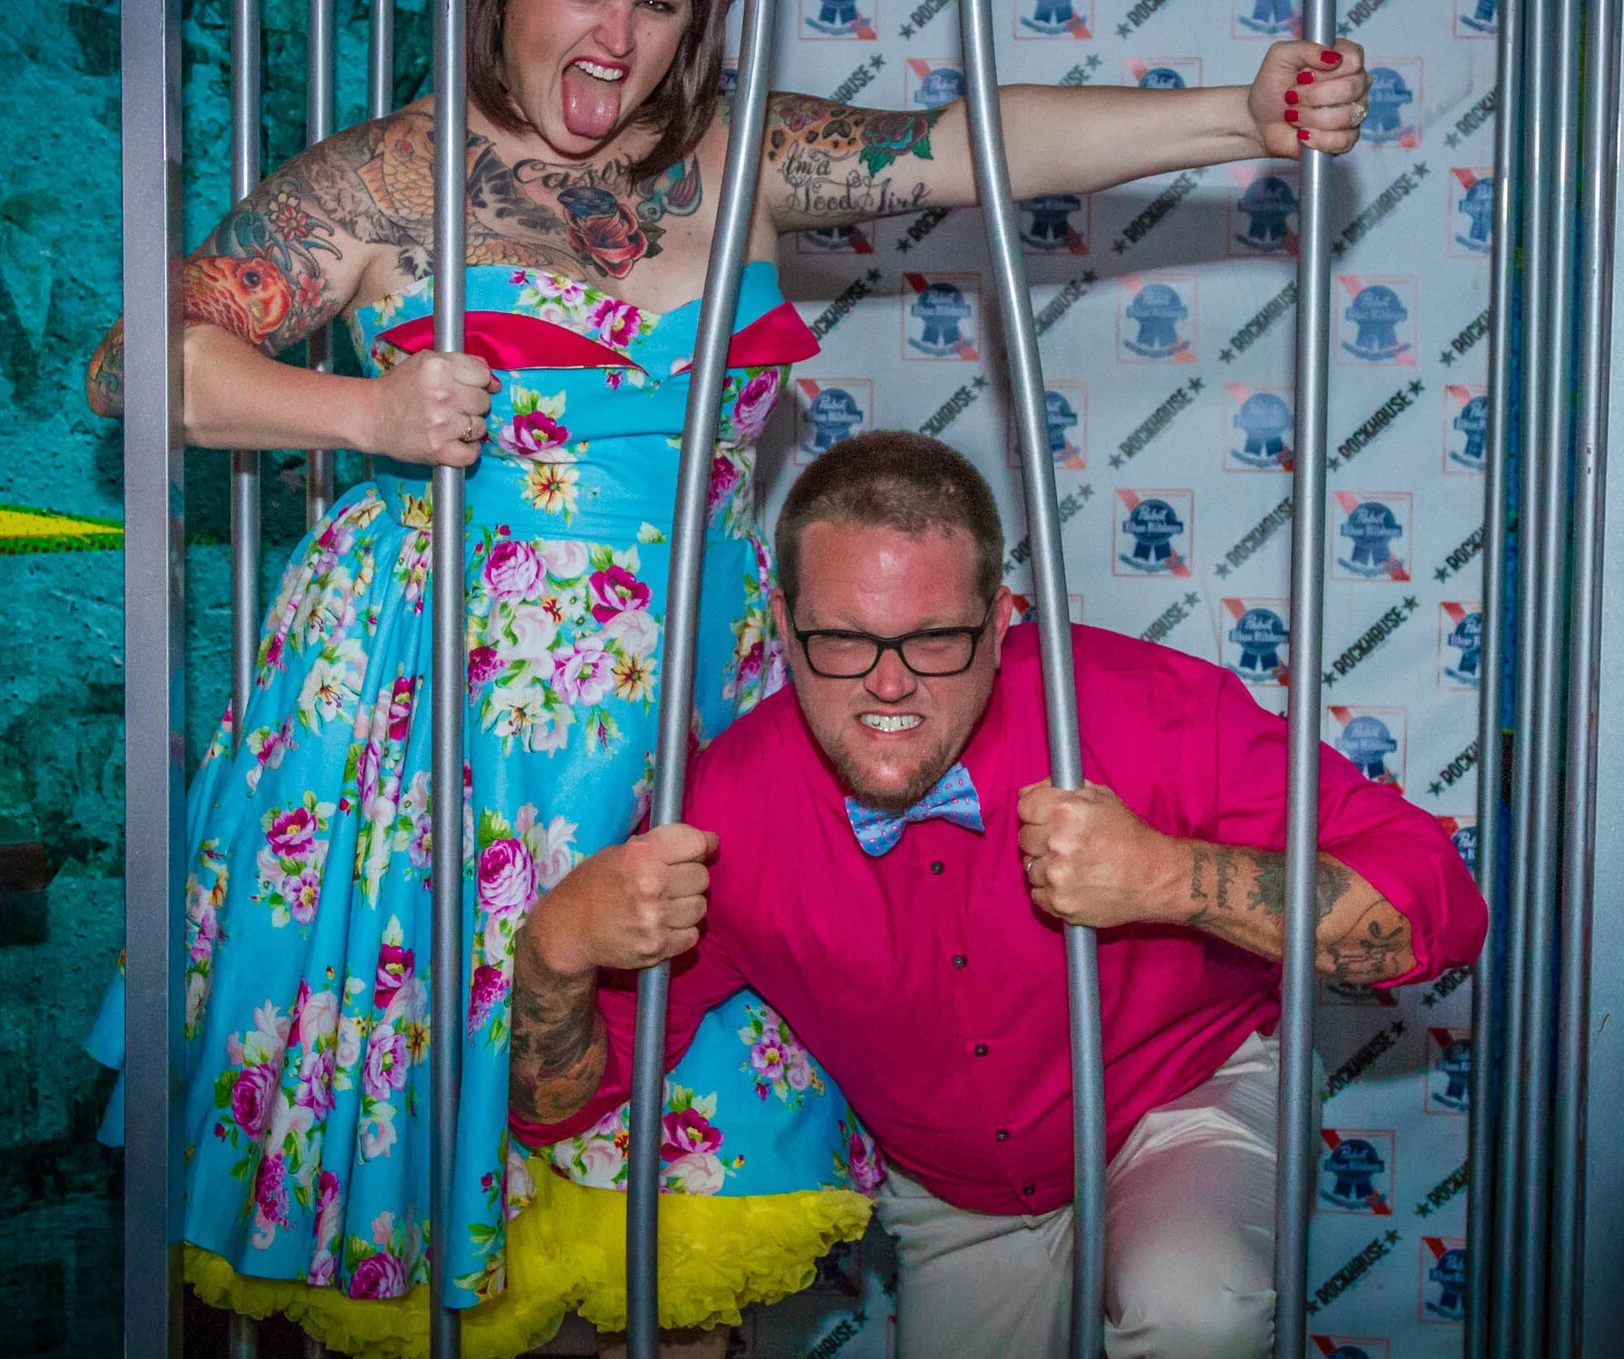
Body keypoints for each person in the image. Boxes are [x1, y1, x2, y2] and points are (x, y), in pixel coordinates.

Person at [81, 0, 1376, 1354]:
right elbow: (132, 363)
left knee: (684, 1167)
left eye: (659, 0)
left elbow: (964, 146)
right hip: (436, 721)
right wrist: (360, 414)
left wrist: (1239, 113)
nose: (616, 38)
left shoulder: (737, 154)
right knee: (437, 1146)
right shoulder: (381, 180)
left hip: (693, 706)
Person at [505, 432, 1489, 1358]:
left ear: (1004, 618)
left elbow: (1435, 906)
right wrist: (554, 949)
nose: (889, 685)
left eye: (935, 638)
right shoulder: (729, 808)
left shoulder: (1144, 709)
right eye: (842, 639)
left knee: (1193, 1302)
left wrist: (1162, 875)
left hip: (1182, 1097)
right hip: (960, 1194)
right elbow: (558, 1103)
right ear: (786, 622)